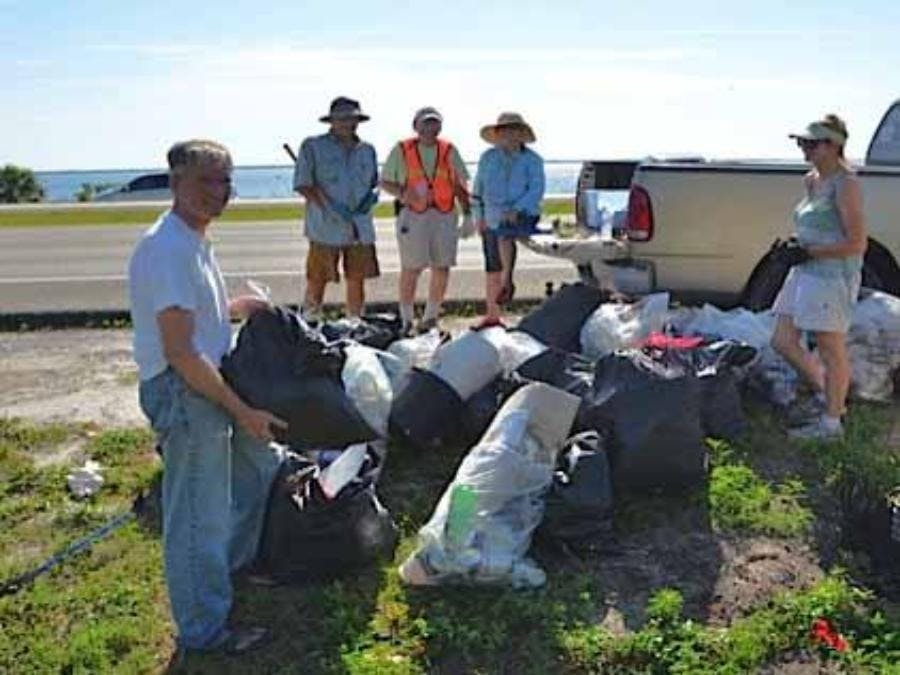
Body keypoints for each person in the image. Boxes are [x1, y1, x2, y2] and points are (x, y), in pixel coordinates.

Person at [128, 139, 287, 655]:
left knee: (257, 467)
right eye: (206, 181)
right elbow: (180, 351)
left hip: (206, 379)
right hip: (185, 390)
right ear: (176, 183)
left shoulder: (193, 239)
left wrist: (238, 306)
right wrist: (242, 411)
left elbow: (193, 317)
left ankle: (229, 569)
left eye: (225, 181)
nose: (219, 191)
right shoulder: (167, 249)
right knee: (198, 514)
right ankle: (203, 629)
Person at [770, 114, 867, 440]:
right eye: (802, 142)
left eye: (811, 143)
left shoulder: (846, 184)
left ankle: (831, 423)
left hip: (832, 276)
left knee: (829, 345)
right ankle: (829, 395)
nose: (804, 148)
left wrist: (810, 252)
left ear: (833, 145)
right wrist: (793, 246)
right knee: (782, 340)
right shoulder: (811, 179)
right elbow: (813, 225)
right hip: (805, 270)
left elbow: (857, 243)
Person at [380, 106, 472, 334]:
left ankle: (430, 317)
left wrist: (468, 214)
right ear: (416, 126)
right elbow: (385, 182)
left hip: (444, 213)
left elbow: (460, 184)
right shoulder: (402, 149)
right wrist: (403, 194)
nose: (430, 128)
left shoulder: (448, 149)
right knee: (412, 268)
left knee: (442, 266)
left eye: (434, 123)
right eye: (426, 123)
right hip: (413, 214)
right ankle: (406, 318)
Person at [293, 97, 380, 320]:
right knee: (317, 278)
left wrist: (371, 199)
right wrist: (329, 208)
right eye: (342, 118)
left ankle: (355, 322)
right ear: (331, 121)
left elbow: (373, 183)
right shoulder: (312, 146)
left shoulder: (368, 150)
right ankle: (309, 321)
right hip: (325, 226)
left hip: (359, 228)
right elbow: (303, 184)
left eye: (352, 119)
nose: (347, 123)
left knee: (357, 278)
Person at [471, 112, 545, 328]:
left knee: (505, 235)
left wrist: (517, 209)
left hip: (523, 214)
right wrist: (478, 216)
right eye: (504, 131)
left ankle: (507, 281)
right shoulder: (488, 158)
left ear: (521, 134)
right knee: (491, 264)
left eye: (513, 131)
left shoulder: (533, 160)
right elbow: (477, 190)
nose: (509, 135)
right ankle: (492, 315)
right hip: (491, 215)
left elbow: (536, 190)